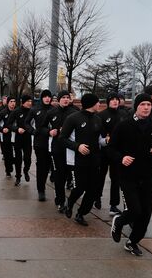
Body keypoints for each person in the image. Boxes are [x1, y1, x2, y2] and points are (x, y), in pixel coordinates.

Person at [109, 93, 152, 256]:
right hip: (128, 175)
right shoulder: (124, 126)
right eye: (143, 104)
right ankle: (119, 221)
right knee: (135, 210)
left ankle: (132, 242)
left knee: (146, 213)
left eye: (149, 105)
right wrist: (121, 158)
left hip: (150, 176)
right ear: (136, 106)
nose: (146, 107)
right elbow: (110, 149)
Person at [59, 93, 103, 226]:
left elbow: (100, 139)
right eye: (98, 102)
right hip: (78, 160)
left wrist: (107, 141)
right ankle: (70, 203)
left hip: (94, 160)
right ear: (92, 103)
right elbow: (62, 138)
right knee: (80, 187)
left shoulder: (98, 119)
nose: (99, 104)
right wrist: (77, 146)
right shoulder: (73, 118)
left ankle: (81, 213)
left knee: (93, 190)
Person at [45, 90, 78, 212]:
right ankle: (60, 201)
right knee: (59, 176)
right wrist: (49, 132)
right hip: (57, 148)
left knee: (73, 177)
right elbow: (41, 127)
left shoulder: (75, 113)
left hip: (71, 149)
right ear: (58, 100)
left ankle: (71, 201)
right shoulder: (51, 112)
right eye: (63, 97)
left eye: (67, 97)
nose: (65, 99)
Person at [95, 92, 127, 214]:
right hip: (104, 150)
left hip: (117, 152)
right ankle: (97, 197)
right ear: (108, 101)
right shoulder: (102, 115)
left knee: (116, 179)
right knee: (100, 176)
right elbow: (99, 133)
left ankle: (113, 205)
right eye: (112, 99)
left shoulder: (124, 114)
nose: (115, 101)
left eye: (117, 99)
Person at [23, 90, 55, 201]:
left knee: (50, 166)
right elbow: (26, 123)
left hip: (53, 143)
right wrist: (32, 131)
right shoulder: (35, 110)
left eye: (49, 96)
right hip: (39, 142)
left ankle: (51, 176)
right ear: (41, 98)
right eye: (45, 96)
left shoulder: (54, 110)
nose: (47, 98)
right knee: (41, 166)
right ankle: (41, 190)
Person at [6, 95, 33, 186]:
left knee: (28, 158)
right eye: (28, 101)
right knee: (18, 159)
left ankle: (26, 170)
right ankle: (18, 177)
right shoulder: (16, 111)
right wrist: (17, 129)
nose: (30, 103)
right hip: (18, 137)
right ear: (23, 102)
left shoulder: (32, 111)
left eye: (30, 101)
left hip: (28, 138)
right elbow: (9, 124)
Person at [0, 96, 16, 177]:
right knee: (7, 154)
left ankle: (14, 165)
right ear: (8, 103)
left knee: (16, 154)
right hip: (6, 136)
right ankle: (8, 169)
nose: (13, 103)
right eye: (11, 102)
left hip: (16, 136)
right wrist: (2, 129)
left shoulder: (17, 112)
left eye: (14, 101)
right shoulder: (3, 113)